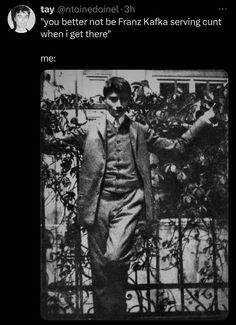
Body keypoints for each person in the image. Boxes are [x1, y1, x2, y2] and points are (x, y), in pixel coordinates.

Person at [43, 77, 215, 320]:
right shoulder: (89, 130)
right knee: (101, 271)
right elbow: (53, 144)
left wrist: (203, 122)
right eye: (113, 99)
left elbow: (176, 147)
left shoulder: (140, 131)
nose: (118, 104)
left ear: (129, 101)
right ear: (105, 101)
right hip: (99, 204)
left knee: (113, 258)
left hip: (129, 202)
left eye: (123, 99)